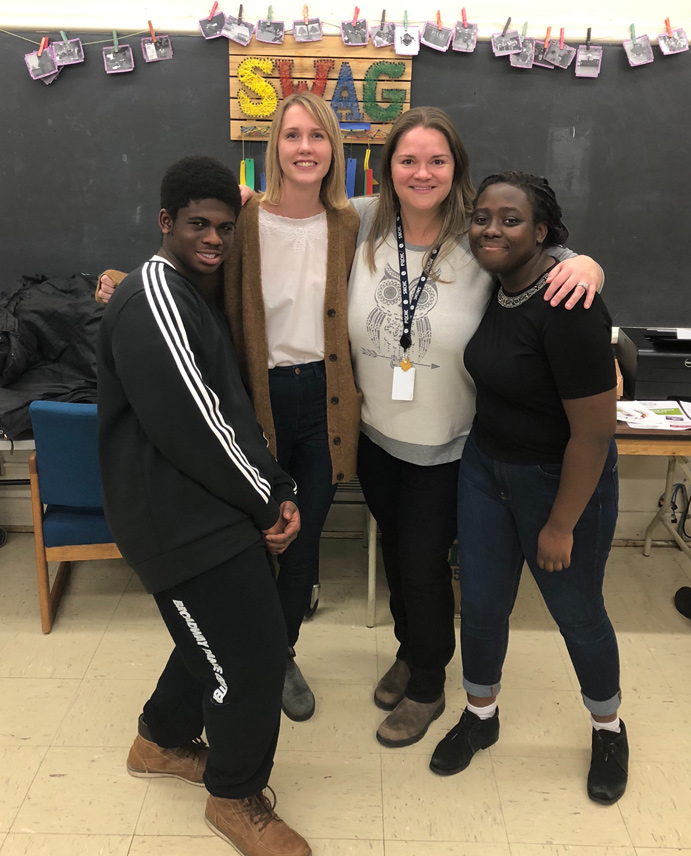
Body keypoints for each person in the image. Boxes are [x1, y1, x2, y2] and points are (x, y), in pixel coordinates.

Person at [96, 93, 360, 724]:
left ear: (333, 150)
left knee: (303, 535)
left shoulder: (356, 222)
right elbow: (185, 268)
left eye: (317, 136)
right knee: (257, 536)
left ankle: (282, 651)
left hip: (326, 399)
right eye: (292, 135)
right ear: (274, 146)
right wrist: (114, 276)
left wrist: (577, 260)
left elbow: (442, 229)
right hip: (258, 397)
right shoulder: (241, 220)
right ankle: (248, 652)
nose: (304, 148)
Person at [346, 107, 604, 749]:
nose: (422, 172)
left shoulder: (479, 237)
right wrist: (246, 196)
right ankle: (412, 650)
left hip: (452, 442)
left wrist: (585, 263)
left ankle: (429, 683)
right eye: (408, 159)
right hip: (377, 435)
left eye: (438, 160)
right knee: (399, 557)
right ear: (389, 171)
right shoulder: (360, 225)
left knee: (426, 563)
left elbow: (542, 249)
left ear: (456, 169)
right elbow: (287, 211)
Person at [97, 155, 310, 856]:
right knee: (252, 659)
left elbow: (231, 413)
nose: (214, 237)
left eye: (225, 225)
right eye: (198, 224)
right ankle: (235, 796)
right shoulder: (155, 294)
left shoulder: (193, 292)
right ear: (166, 223)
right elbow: (197, 425)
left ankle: (157, 742)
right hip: (175, 521)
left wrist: (274, 492)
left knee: (211, 640)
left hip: (210, 507)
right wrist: (266, 505)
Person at [429, 171, 627, 805]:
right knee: (482, 607)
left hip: (561, 484)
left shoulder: (570, 305)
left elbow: (593, 436)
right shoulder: (494, 283)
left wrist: (562, 523)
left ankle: (608, 727)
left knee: (578, 614)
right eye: (482, 216)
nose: (491, 228)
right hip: (485, 470)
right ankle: (480, 718)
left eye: (510, 219)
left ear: (542, 231)